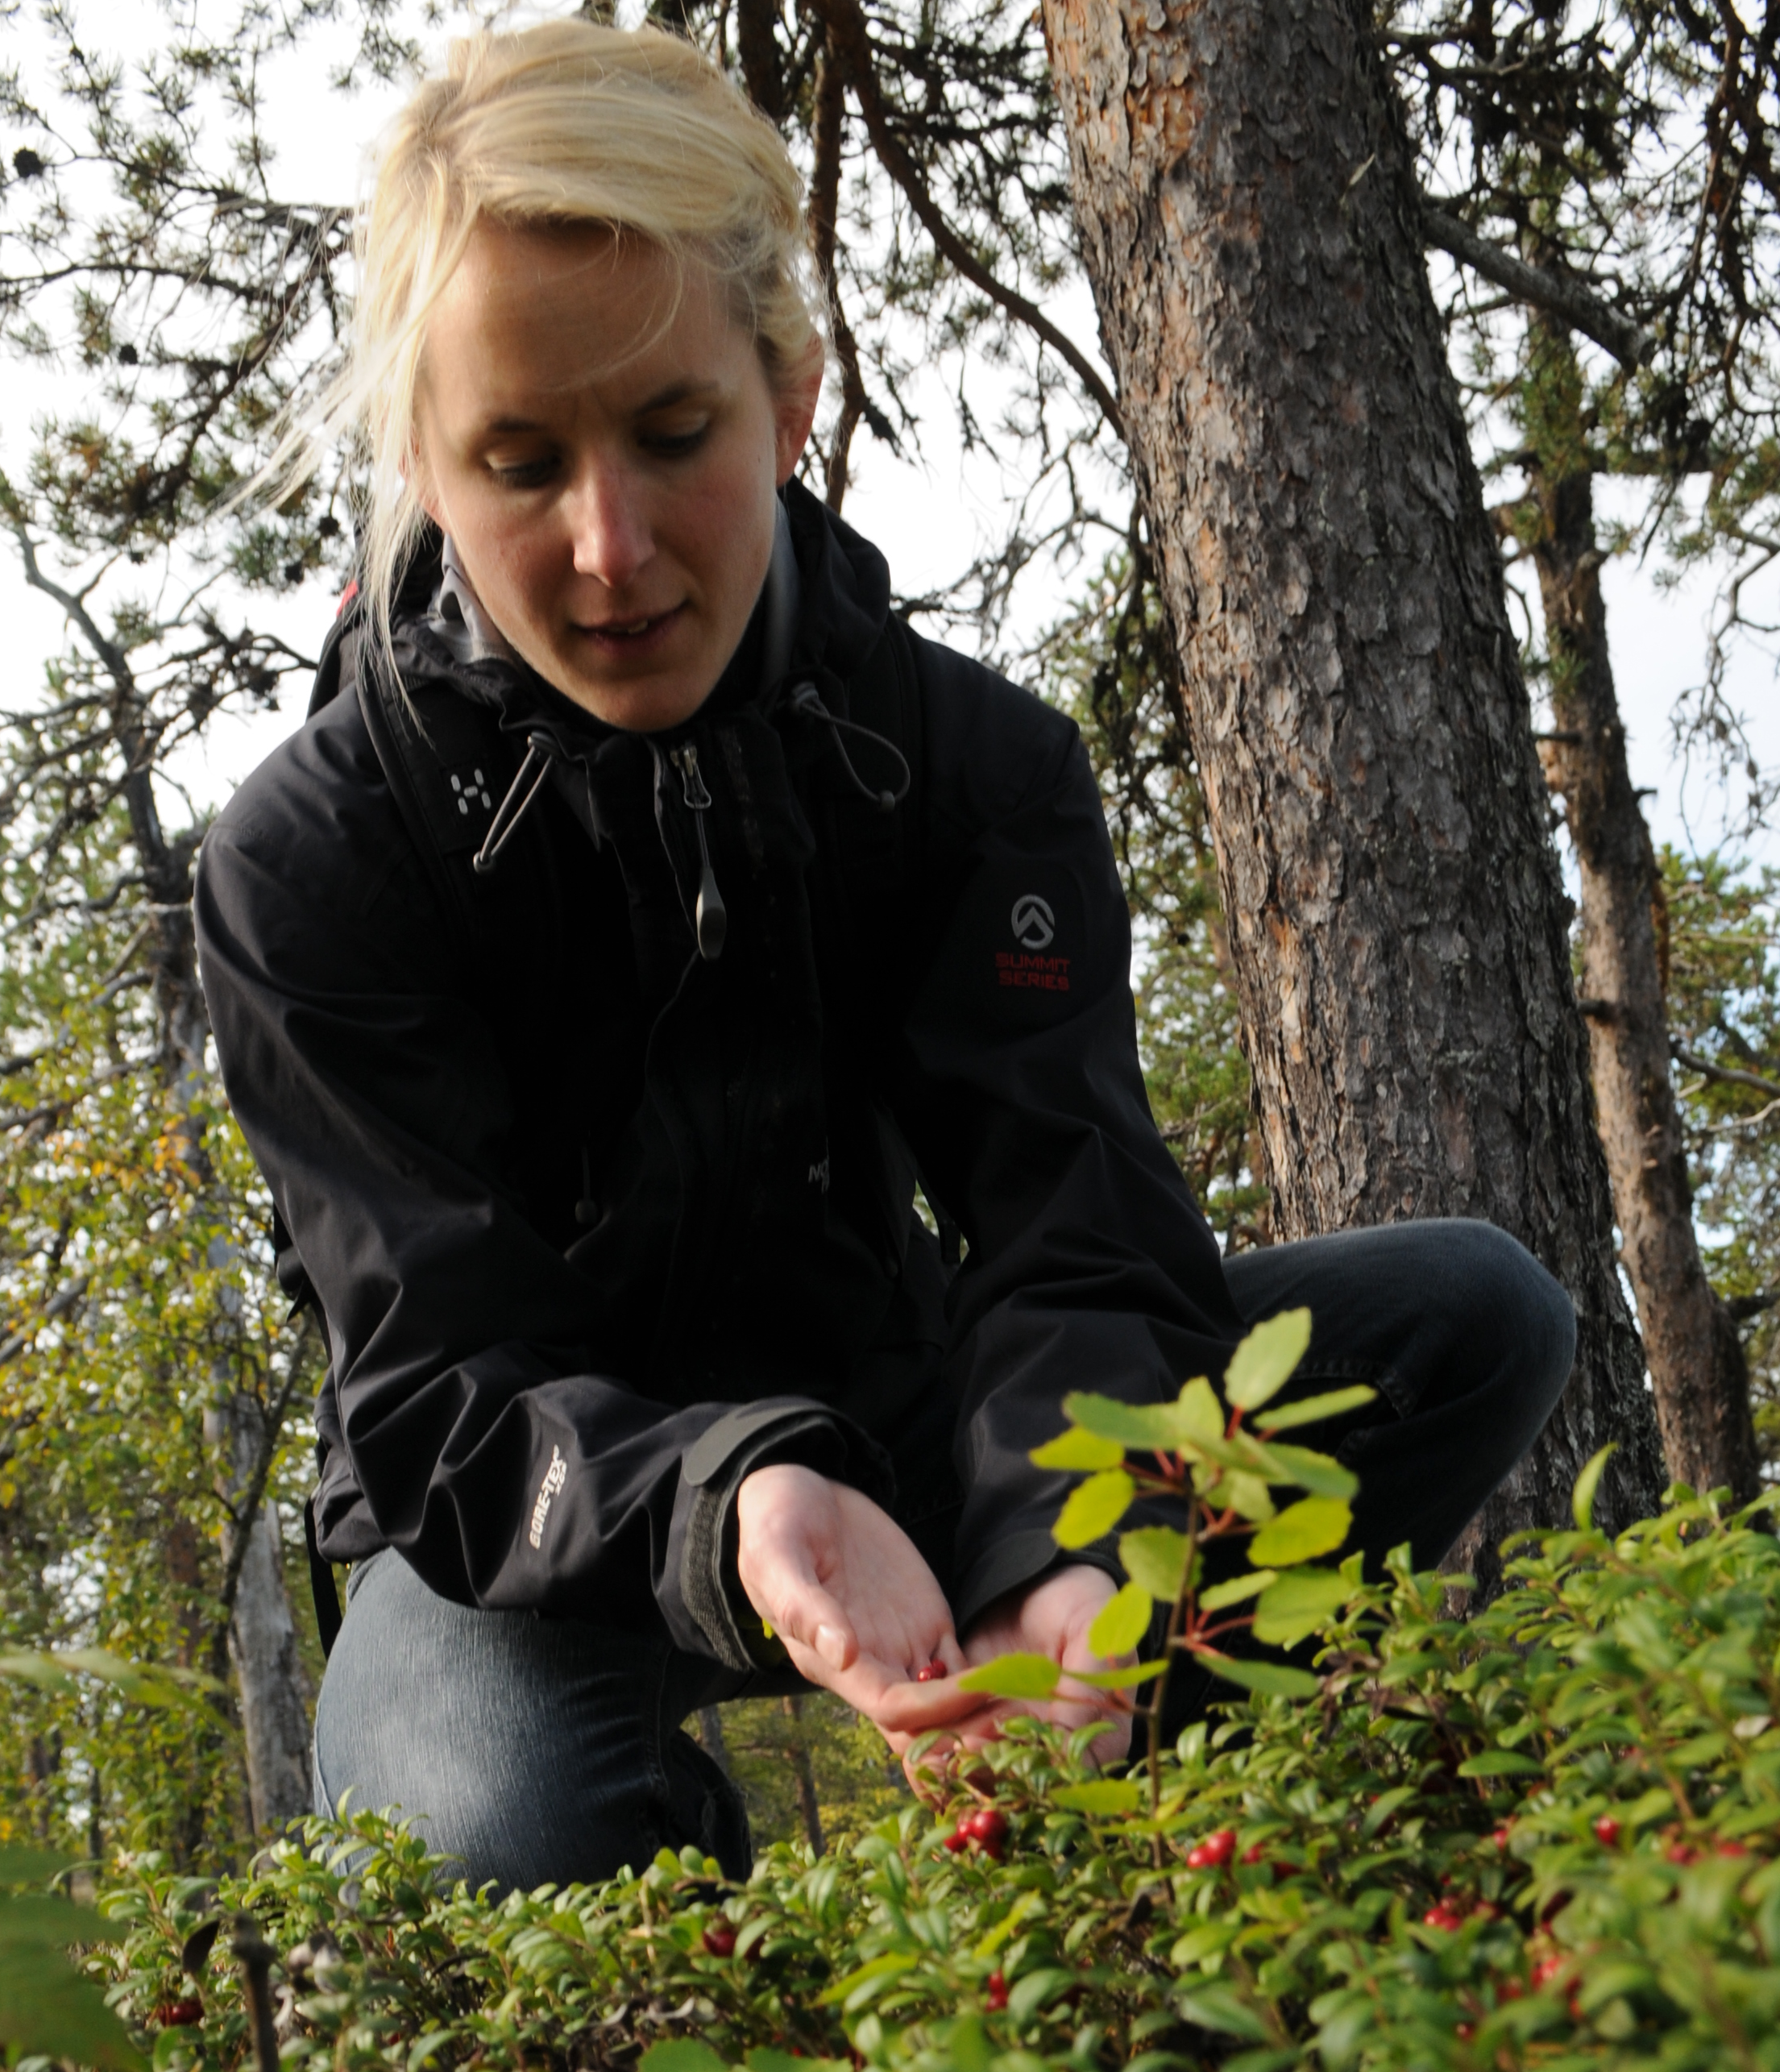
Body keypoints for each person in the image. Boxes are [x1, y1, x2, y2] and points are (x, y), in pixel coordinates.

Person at [195, 20, 1575, 1895]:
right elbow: (434, 1379)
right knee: (487, 1820)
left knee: (1460, 1320)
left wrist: (1068, 1536)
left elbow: (1073, 1222)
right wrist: (731, 1496)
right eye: (518, 461)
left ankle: (1120, 1799)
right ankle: (714, 1955)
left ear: (788, 397)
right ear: (428, 472)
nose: (609, 547)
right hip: (529, 1524)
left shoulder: (965, 768)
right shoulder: (314, 860)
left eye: (670, 432)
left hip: (905, 1420)